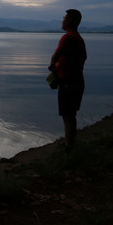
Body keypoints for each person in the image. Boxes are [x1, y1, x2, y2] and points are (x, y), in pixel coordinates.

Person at [48, 9, 87, 150]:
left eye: (64, 18)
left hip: (68, 83)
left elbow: (55, 57)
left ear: (69, 21)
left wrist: (52, 68)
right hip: (78, 81)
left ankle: (69, 147)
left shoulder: (67, 37)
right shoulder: (78, 38)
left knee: (67, 116)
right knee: (71, 115)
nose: (62, 20)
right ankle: (71, 144)